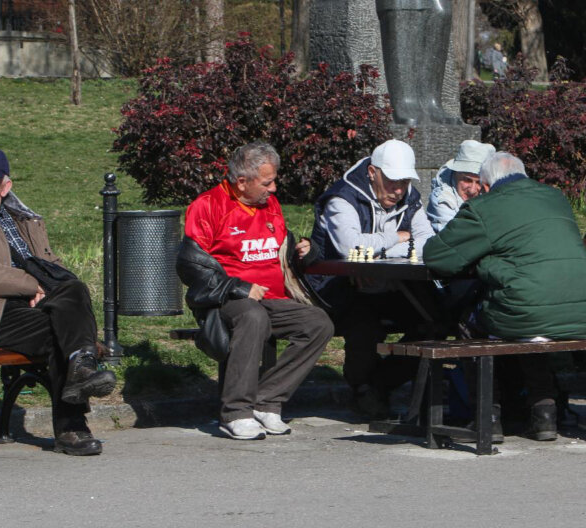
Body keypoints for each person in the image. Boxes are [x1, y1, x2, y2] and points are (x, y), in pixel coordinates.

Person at [0, 148, 116, 457]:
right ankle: (72, 425)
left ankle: (80, 366)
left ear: (6, 186)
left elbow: (50, 263)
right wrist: (32, 285)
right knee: (60, 334)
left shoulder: (25, 219)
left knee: (74, 289)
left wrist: (52, 286)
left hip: (33, 307)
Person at [423, 152, 586, 441]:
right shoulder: (555, 197)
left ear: (486, 185)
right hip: (582, 311)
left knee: (472, 323)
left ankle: (487, 417)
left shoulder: (485, 206)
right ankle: (545, 414)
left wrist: (484, 261)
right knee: (530, 321)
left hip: (529, 309)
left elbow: (436, 256)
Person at [176, 141, 334, 440]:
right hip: (228, 298)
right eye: (267, 182)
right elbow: (190, 266)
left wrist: (302, 251)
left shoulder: (268, 204)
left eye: (273, 180)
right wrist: (238, 286)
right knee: (253, 316)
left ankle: (267, 401)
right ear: (241, 182)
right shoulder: (208, 206)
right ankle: (235, 412)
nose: (273, 189)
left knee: (318, 323)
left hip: (273, 298)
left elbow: (276, 248)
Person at [308, 139, 435, 417]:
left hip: (390, 285)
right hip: (338, 288)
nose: (399, 189)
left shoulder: (410, 197)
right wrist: (396, 238)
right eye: (391, 181)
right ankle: (363, 389)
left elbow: (430, 242)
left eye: (403, 181)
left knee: (435, 320)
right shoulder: (341, 198)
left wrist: (378, 253)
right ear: (372, 173)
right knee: (365, 325)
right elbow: (350, 247)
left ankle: (380, 383)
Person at [426, 139, 496, 232]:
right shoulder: (442, 199)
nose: (472, 190)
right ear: (455, 173)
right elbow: (459, 236)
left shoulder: (489, 190)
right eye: (467, 180)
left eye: (479, 182)